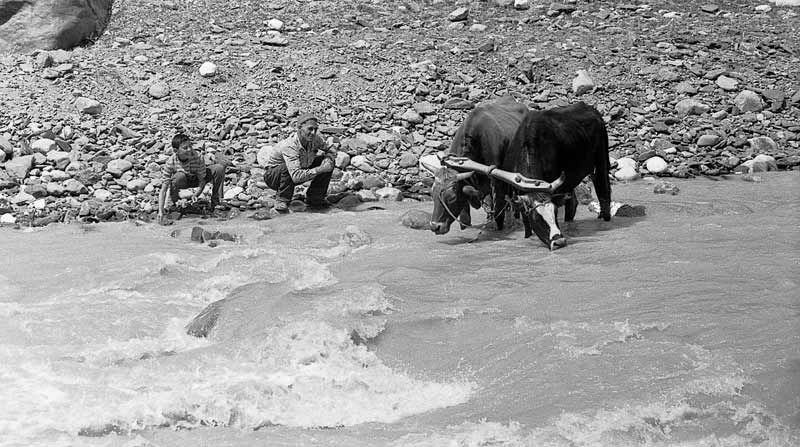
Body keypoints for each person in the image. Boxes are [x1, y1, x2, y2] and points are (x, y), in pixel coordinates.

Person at [264, 113, 335, 212]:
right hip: (274, 177)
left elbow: (330, 148)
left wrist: (328, 158)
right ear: (300, 128)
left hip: (301, 168)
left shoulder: (315, 139)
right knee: (286, 167)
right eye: (310, 129)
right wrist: (321, 169)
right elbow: (296, 177)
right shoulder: (290, 146)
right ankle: (282, 200)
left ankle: (315, 198)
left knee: (327, 162)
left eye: (315, 129)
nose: (313, 132)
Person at [157, 133, 226, 224]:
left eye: (190, 146)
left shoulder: (198, 156)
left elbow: (202, 180)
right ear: (176, 150)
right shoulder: (171, 162)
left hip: (197, 179)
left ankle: (216, 201)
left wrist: (196, 194)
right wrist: (160, 211)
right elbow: (164, 189)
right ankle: (174, 204)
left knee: (219, 168)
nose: (189, 150)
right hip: (183, 181)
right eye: (185, 148)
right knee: (178, 177)